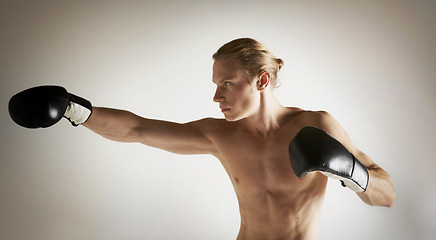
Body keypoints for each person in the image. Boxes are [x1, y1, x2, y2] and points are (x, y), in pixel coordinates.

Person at [9, 38, 396, 240]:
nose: (216, 97)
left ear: (261, 81)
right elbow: (138, 129)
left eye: (227, 84)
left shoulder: (317, 125)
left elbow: (387, 194)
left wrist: (354, 173)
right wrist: (75, 109)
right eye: (215, 85)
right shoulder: (220, 135)